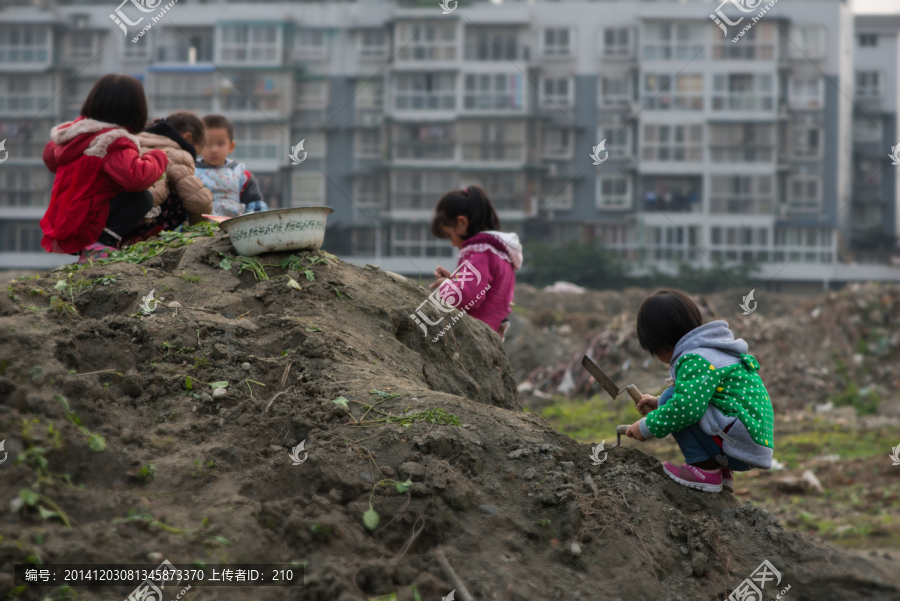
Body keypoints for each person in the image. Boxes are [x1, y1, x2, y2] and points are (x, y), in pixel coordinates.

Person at [625, 290, 774, 494]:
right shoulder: (714, 349)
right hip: (750, 445)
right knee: (671, 397)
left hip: (738, 447)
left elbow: (686, 408)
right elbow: (709, 397)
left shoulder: (694, 358)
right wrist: (659, 402)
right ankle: (722, 471)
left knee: (675, 399)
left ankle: (706, 471)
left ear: (660, 342)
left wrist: (646, 426)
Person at [39, 74, 168, 264]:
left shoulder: (75, 133)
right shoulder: (114, 141)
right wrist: (158, 157)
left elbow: (50, 158)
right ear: (136, 110)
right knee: (142, 198)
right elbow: (136, 179)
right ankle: (100, 245)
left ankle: (94, 246)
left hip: (66, 215)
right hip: (87, 219)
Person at [429, 185, 522, 340]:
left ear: (462, 223)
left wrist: (445, 286)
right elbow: (482, 289)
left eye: (450, 235)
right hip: (490, 337)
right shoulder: (499, 252)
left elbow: (467, 298)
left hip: (473, 337)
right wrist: (454, 280)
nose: (452, 243)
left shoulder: (479, 252)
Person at [122, 112, 214, 245]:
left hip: (114, 217)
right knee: (184, 193)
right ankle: (144, 237)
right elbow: (199, 201)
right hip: (144, 218)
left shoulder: (133, 142)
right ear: (187, 138)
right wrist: (199, 229)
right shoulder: (177, 153)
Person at [195, 114, 266, 217]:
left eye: (220, 144)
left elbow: (255, 204)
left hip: (234, 229)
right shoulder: (190, 173)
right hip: (199, 230)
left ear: (231, 146)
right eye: (208, 143)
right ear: (199, 145)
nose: (214, 149)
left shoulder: (242, 176)